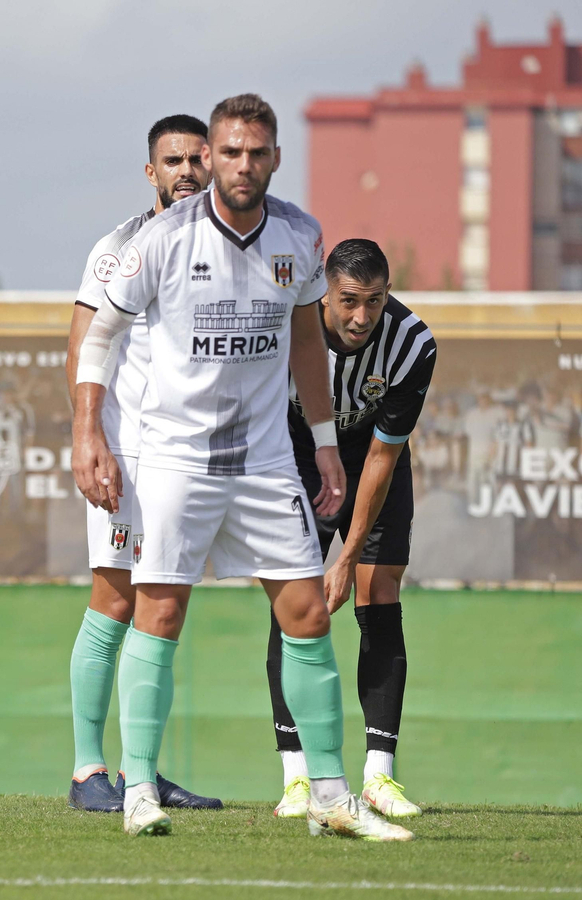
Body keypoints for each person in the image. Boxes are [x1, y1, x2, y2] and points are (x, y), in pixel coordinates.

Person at [72, 94, 413, 841]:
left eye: (256, 152)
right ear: (213, 157)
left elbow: (303, 343)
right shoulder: (161, 240)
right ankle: (137, 791)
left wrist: (324, 442)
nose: (241, 165)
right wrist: (85, 430)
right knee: (158, 614)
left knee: (308, 615)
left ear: (275, 158)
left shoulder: (300, 234)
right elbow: (98, 338)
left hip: (263, 464)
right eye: (229, 152)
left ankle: (329, 796)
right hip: (175, 461)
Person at [63, 113, 220, 813]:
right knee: (116, 599)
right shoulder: (118, 246)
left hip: (188, 458)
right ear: (151, 172)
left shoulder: (233, 248)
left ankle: (143, 773)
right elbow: (82, 347)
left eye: (196, 159)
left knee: (165, 606)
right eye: (172, 160)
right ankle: (87, 771)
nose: (186, 171)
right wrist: (87, 435)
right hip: (125, 453)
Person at [266, 239, 437, 821]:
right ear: (326, 294)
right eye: (348, 302)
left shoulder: (413, 345)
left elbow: (384, 459)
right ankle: (296, 778)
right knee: (295, 602)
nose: (361, 316)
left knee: (378, 588)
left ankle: (378, 777)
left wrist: (347, 558)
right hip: (297, 448)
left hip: (370, 457)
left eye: (374, 301)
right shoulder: (287, 322)